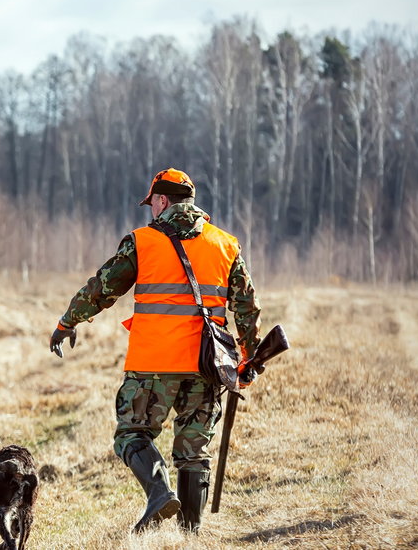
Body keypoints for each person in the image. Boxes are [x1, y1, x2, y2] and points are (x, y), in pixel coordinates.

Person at [48, 168, 261, 534]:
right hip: (206, 366)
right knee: (194, 451)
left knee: (132, 433)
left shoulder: (141, 242)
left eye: (152, 203)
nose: (151, 210)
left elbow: (102, 289)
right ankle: (189, 535)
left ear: (162, 201)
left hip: (152, 365)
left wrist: (68, 321)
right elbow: (246, 308)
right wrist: (247, 358)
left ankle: (160, 493)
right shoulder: (226, 245)